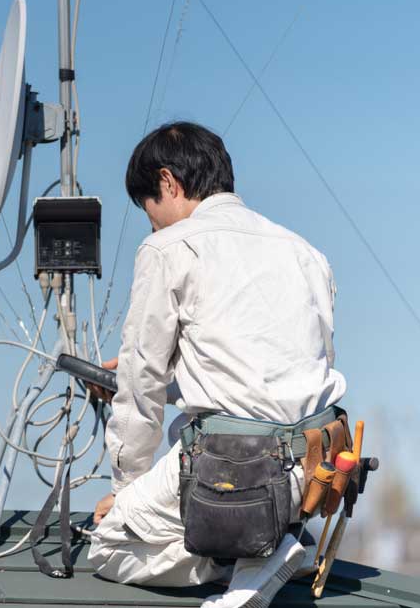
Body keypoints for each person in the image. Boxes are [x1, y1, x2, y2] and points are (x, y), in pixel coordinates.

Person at [85, 121, 347, 608]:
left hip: (235, 470)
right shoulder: (306, 252)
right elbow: (281, 372)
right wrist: (174, 376)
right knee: (198, 431)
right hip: (314, 468)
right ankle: (276, 545)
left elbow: (139, 387)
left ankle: (238, 560)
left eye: (150, 211)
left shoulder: (168, 248)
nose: (154, 224)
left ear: (168, 182)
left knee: (106, 546)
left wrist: (126, 492)